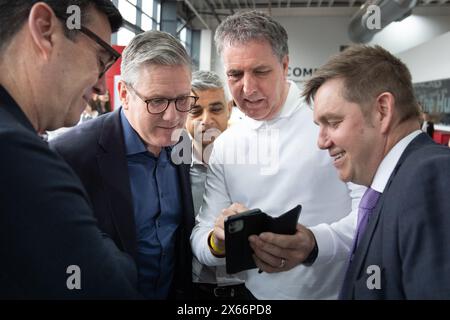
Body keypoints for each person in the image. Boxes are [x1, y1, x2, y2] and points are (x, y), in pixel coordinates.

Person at [190, 11, 365, 300]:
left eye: (260, 71)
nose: (247, 88)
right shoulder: (226, 144)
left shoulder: (330, 120)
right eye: (235, 74)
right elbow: (201, 236)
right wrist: (218, 240)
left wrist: (314, 244)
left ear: (285, 65)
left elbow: (370, 214)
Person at [0, 0, 139, 298]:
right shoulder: (19, 158)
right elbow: (109, 288)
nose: (102, 86)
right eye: (102, 60)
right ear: (44, 29)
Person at [50, 30, 196, 299]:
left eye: (182, 100)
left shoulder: (182, 143)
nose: (173, 116)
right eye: (157, 101)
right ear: (124, 93)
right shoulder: (70, 155)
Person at [303, 44, 450, 299]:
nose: (321, 141)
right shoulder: (393, 184)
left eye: (334, 122)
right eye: (319, 126)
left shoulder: (430, 177)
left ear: (382, 110)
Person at [186, 70, 247, 299]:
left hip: (248, 288)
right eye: (195, 111)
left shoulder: (254, 163)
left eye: (215, 108)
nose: (206, 119)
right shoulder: (172, 171)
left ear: (229, 109)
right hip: (194, 289)